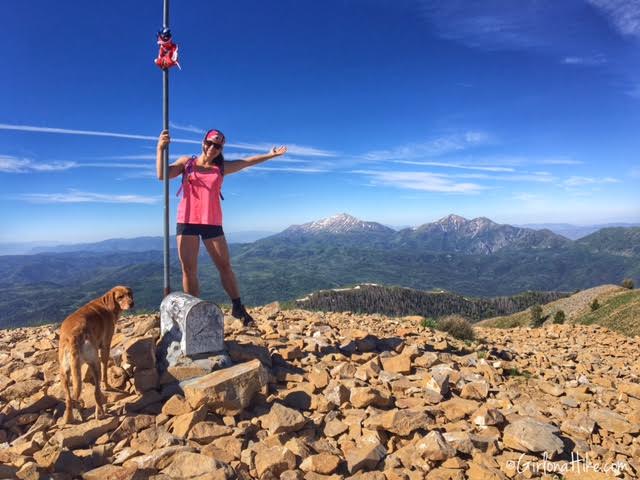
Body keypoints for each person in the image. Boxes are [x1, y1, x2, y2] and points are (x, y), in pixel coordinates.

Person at [156, 128, 287, 325]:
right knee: (189, 269)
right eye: (210, 143)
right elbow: (162, 175)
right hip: (187, 220)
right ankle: (194, 311)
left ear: (221, 148)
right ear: (203, 143)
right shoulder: (186, 163)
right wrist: (160, 148)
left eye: (218, 146)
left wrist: (271, 155)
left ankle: (238, 307)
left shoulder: (221, 167)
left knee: (224, 266)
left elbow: (246, 162)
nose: (212, 148)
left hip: (212, 221)